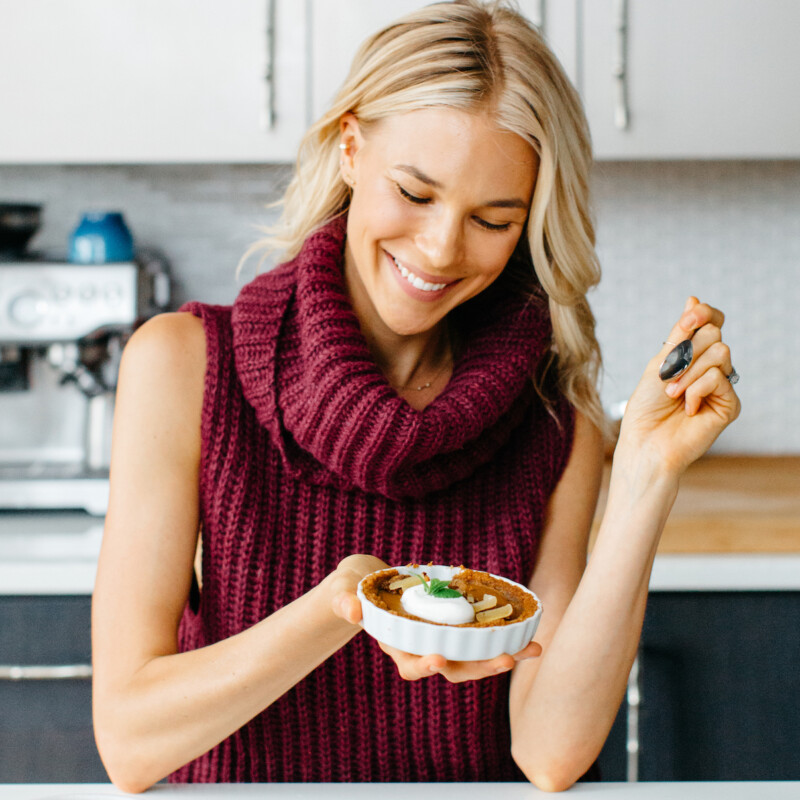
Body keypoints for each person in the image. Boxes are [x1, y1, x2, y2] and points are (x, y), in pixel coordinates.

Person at [91, 0, 740, 792]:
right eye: (416, 192)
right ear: (352, 147)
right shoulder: (186, 367)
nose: (440, 250)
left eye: (493, 220)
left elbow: (550, 752)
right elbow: (128, 740)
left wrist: (644, 476)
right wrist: (343, 607)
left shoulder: (551, 423)